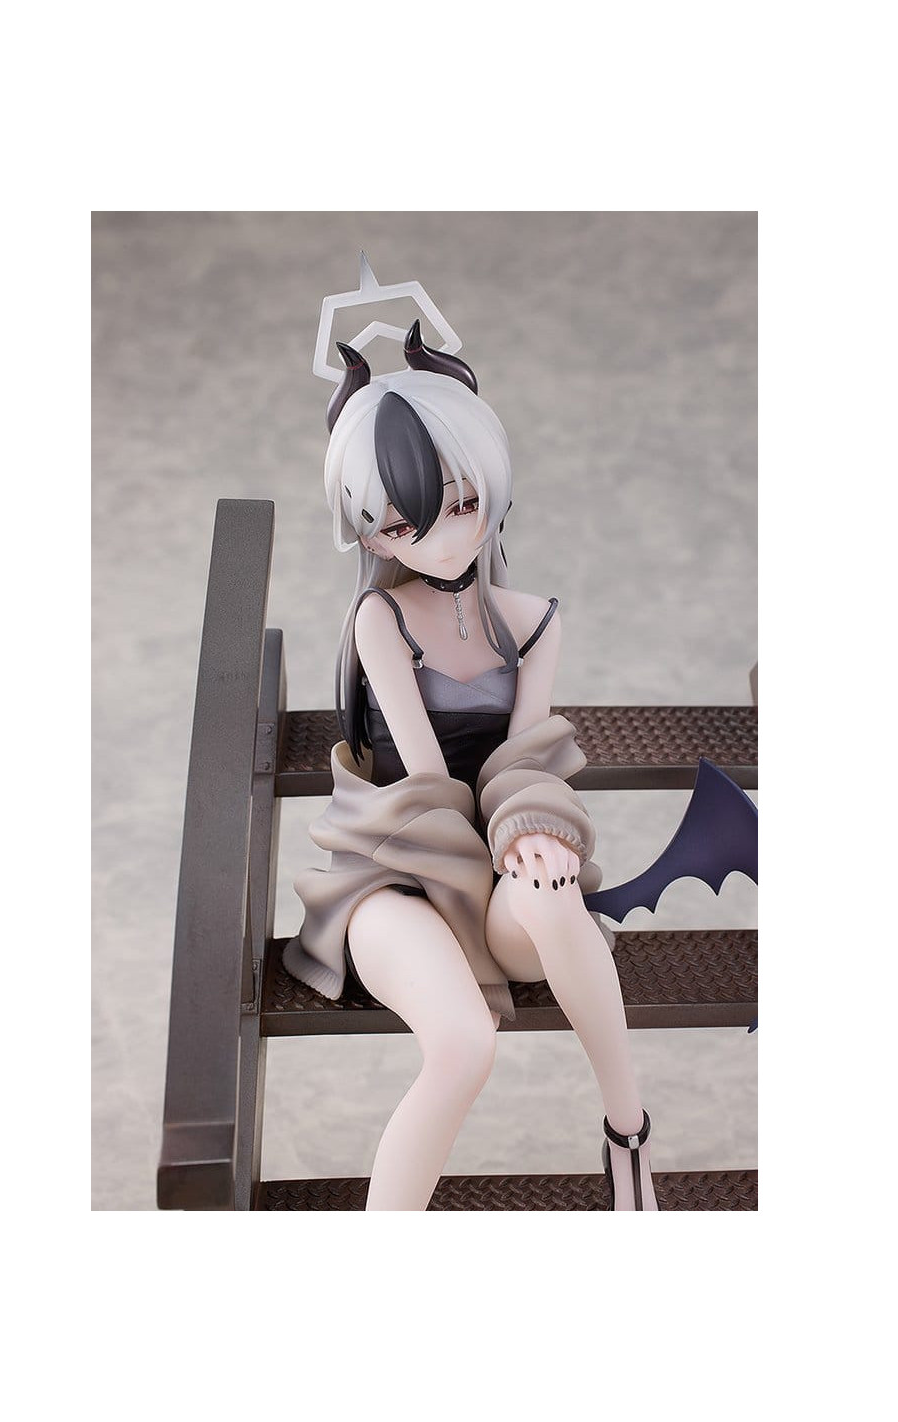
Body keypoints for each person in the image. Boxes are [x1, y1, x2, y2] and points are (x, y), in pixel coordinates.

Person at [283, 322, 657, 1210]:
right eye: (404, 521)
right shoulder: (380, 622)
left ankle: (629, 1136)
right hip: (396, 879)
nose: (445, 535)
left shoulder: (532, 621)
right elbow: (426, 787)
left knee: (551, 887)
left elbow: (524, 759)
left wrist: (534, 829)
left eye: (463, 504)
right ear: (374, 537)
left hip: (500, 880)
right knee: (461, 1047)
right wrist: (506, 855)